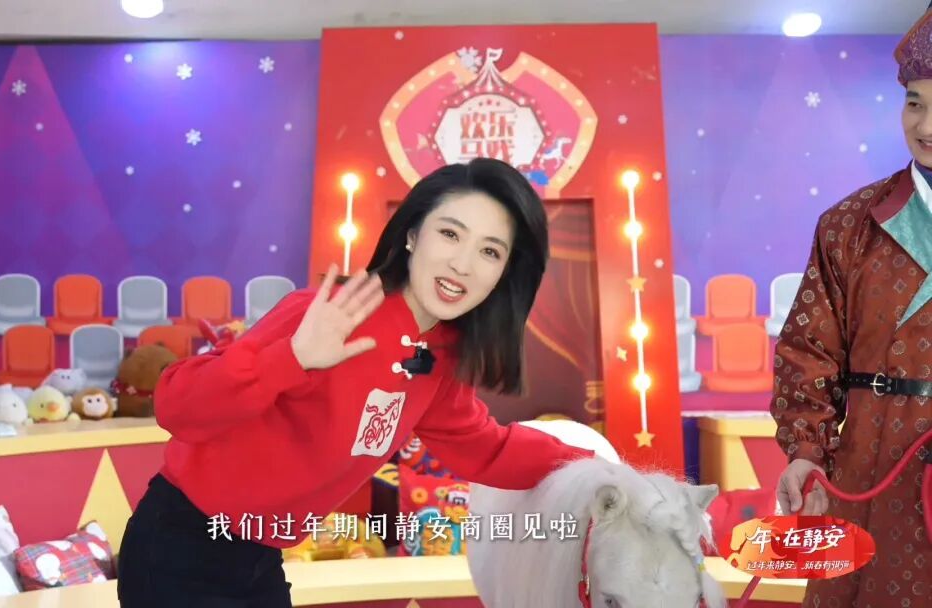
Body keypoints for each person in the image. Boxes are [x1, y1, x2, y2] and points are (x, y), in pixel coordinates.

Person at [115, 157, 596, 606]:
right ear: (412, 235)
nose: (463, 264)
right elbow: (177, 406)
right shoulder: (330, 314)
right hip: (182, 544)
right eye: (450, 234)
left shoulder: (441, 360)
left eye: (490, 251)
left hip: (259, 557)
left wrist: (601, 470)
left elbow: (485, 448)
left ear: (504, 272)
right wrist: (291, 357)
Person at [772, 7, 932, 607]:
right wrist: (806, 451)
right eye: (914, 103)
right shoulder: (848, 225)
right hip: (872, 468)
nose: (925, 125)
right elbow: (807, 349)